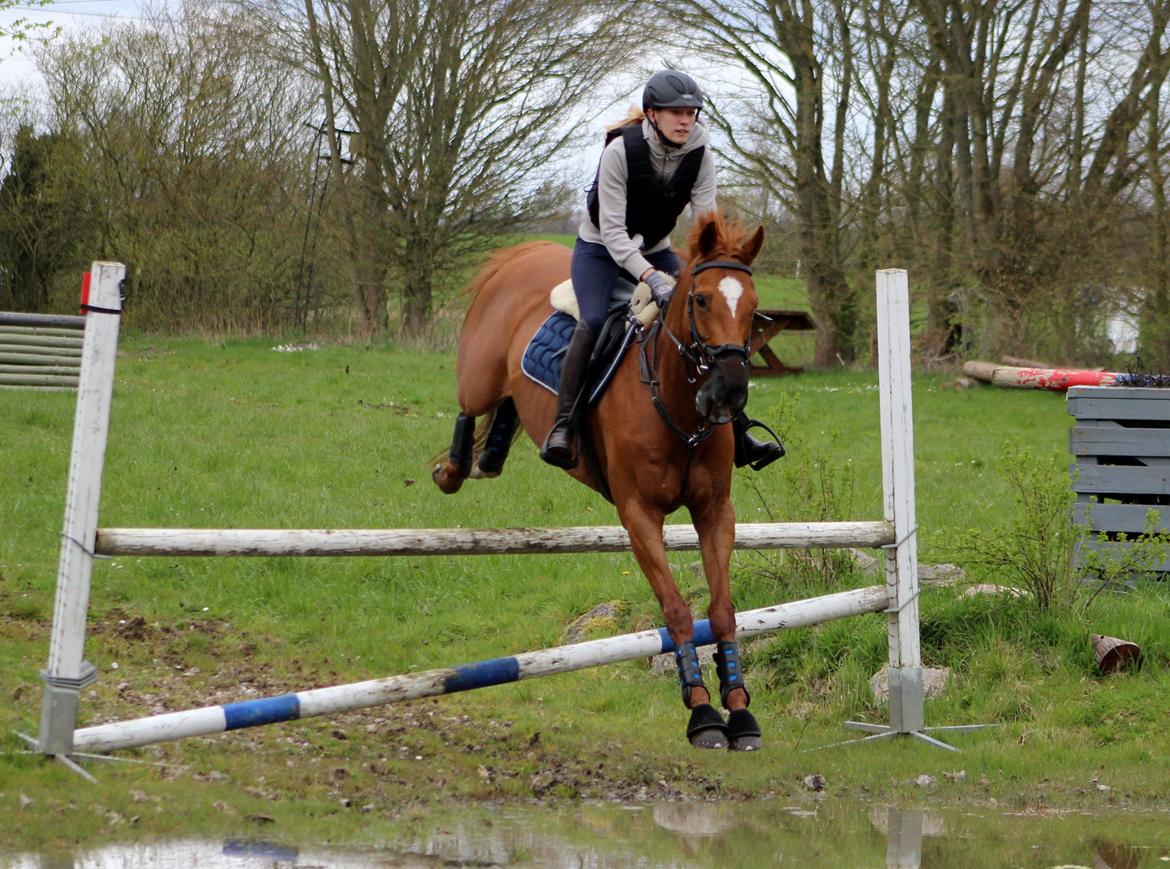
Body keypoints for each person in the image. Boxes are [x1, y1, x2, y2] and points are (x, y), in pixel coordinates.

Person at [540, 69, 783, 472]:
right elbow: (615, 233)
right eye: (676, 113)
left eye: (691, 112)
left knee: (703, 319)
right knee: (596, 320)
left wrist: (708, 264)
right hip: (601, 250)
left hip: (658, 248)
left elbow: (705, 219)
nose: (686, 120)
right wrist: (651, 277)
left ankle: (739, 430)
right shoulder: (619, 152)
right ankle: (563, 426)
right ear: (652, 114)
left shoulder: (700, 150)